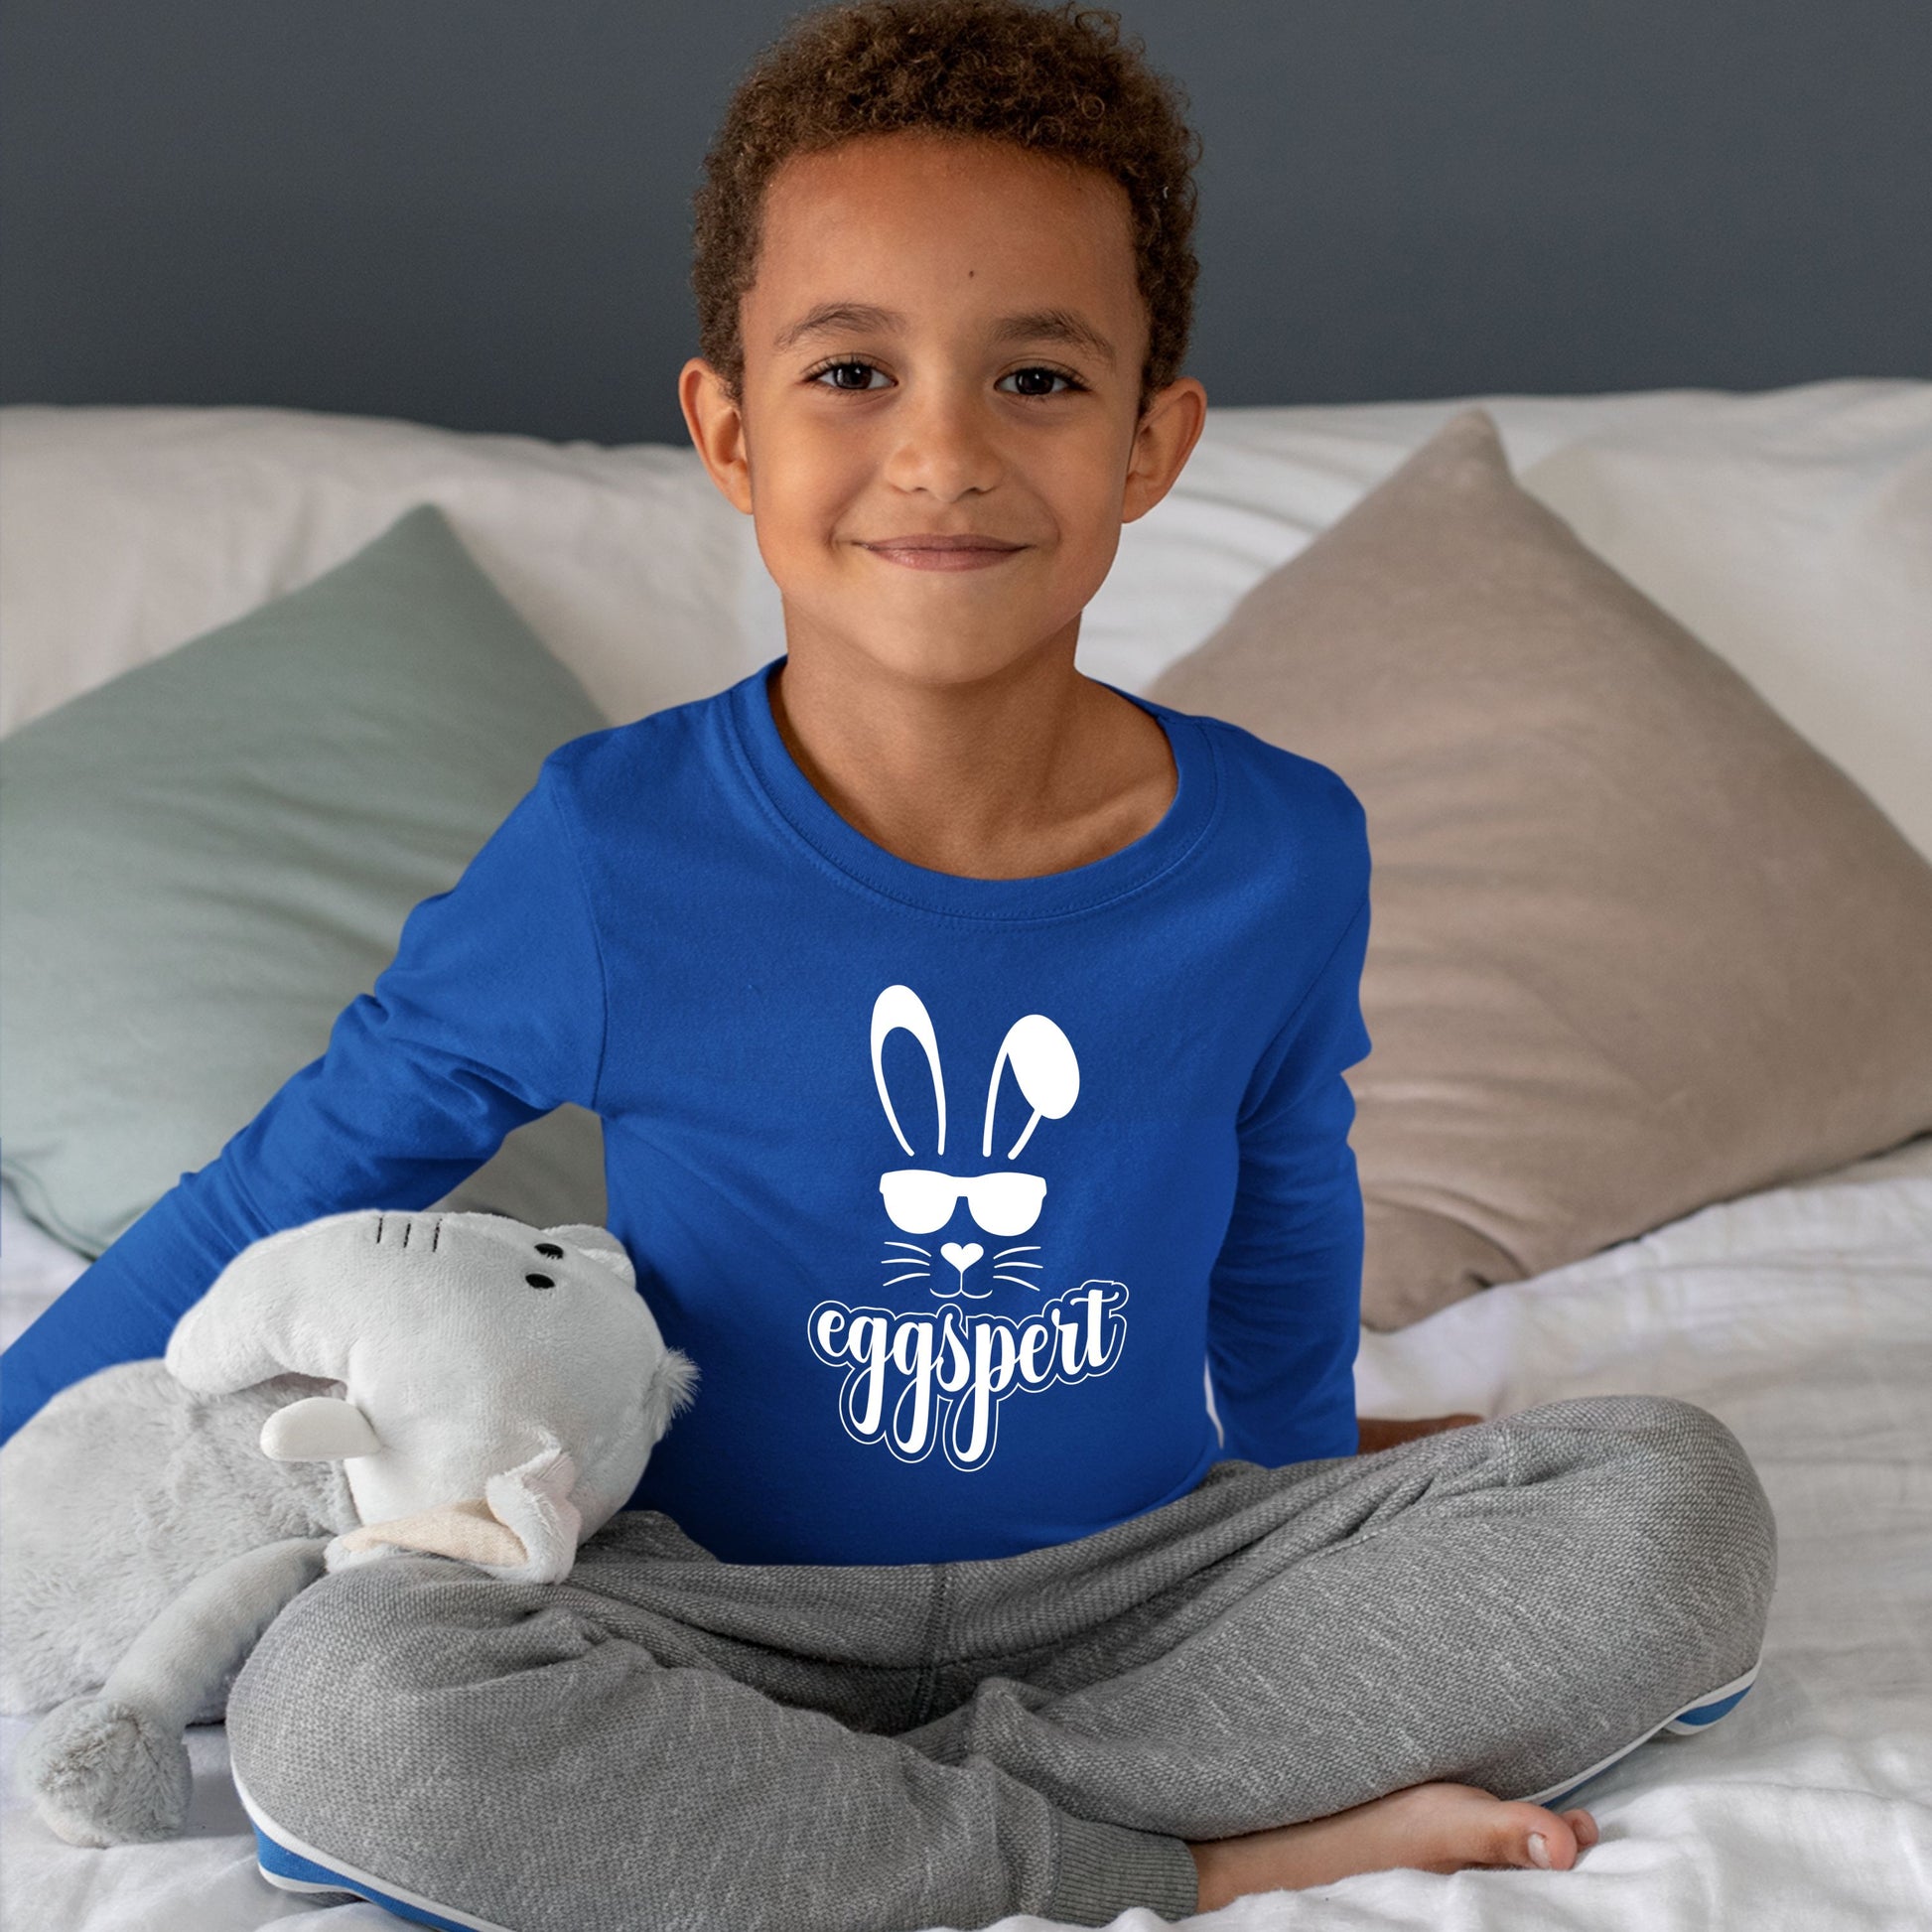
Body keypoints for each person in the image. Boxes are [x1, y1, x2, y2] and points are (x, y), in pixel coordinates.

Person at [0, 3, 1776, 1927]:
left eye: (1037, 377)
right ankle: (1170, 1855)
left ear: (1150, 441)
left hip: (1137, 1586)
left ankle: (810, 1827)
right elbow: (298, 1180)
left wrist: (1304, 1497)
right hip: (692, 1595)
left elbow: (1282, 1205)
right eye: (852, 371)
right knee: (353, 1706)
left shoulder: (1280, 847)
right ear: (729, 432)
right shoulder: (612, 848)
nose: (941, 452)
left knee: (1670, 1507)